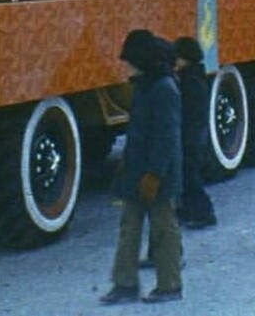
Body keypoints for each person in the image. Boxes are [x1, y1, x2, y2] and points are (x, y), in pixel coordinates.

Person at [101, 30, 183, 305]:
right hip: (140, 169)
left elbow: (166, 138)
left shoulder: (162, 89)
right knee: (130, 227)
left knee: (163, 229)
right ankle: (125, 282)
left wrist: (154, 174)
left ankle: (169, 284)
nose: (127, 66)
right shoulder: (148, 86)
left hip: (157, 172)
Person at [171, 36, 215, 230]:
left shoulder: (189, 82)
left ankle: (202, 212)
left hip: (190, 136)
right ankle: (193, 211)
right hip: (195, 135)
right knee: (190, 175)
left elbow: (190, 114)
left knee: (190, 176)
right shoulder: (196, 78)